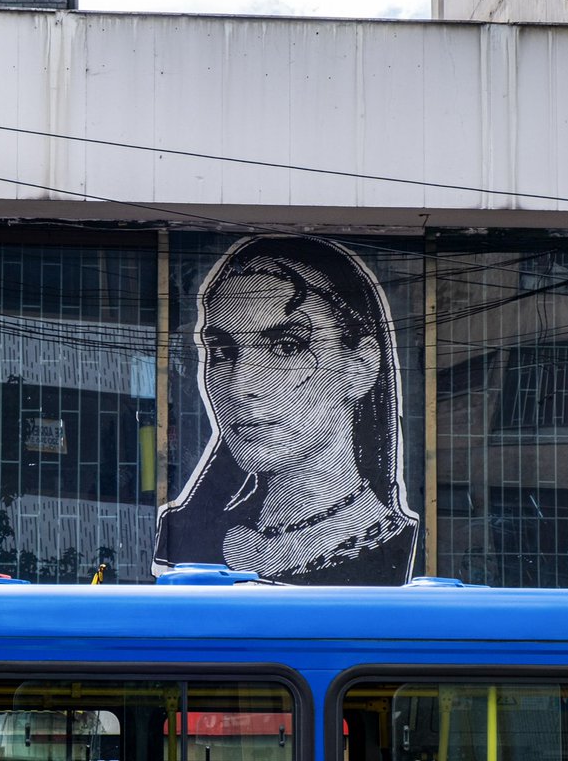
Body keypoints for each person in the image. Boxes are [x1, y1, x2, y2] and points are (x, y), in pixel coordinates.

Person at [153, 235, 418, 584]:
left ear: (360, 367)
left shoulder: (398, 543)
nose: (239, 386)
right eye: (223, 352)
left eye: (286, 346)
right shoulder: (190, 538)